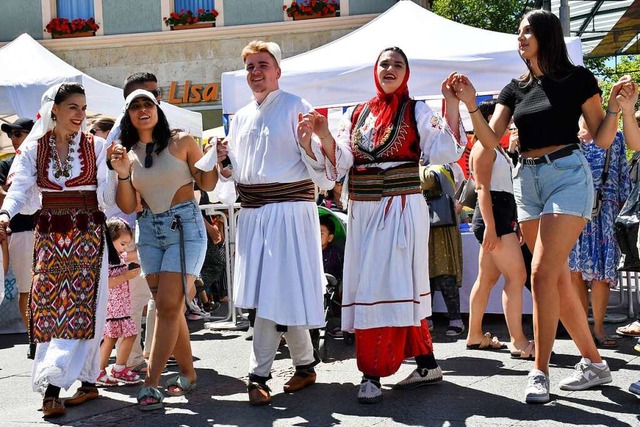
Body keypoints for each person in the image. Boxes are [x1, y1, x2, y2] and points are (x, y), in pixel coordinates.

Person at [451, 10, 632, 404]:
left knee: (541, 272)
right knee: (560, 280)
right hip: (526, 182)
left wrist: (617, 108)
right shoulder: (513, 89)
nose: (521, 37)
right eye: (518, 32)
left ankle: (540, 370)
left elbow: (601, 138)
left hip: (567, 174)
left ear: (547, 35)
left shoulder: (578, 79)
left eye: (528, 31)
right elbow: (491, 138)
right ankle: (596, 364)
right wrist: (469, 104)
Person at [298, 46, 465, 403]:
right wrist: (325, 135)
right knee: (383, 285)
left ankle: (371, 373)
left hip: (401, 207)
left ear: (406, 73)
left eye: (398, 64)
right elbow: (340, 162)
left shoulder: (416, 108)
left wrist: (450, 103)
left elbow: (445, 150)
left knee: (383, 285)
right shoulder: (356, 113)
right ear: (375, 71)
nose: (390, 68)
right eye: (384, 63)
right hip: (364, 210)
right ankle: (426, 362)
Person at [221, 40, 333, 406]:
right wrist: (224, 161)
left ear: (277, 70)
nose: (256, 72)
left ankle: (258, 375)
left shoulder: (295, 106)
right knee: (278, 290)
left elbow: (322, 172)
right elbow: (235, 174)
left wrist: (308, 144)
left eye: (263, 65)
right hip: (254, 214)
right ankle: (305, 364)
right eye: (250, 66)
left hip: (289, 212)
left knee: (272, 292)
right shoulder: (239, 117)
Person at [0, 83, 116, 417]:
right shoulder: (35, 149)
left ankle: (79, 382)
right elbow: (20, 186)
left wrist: (120, 174)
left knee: (87, 308)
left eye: (83, 108)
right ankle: (55, 384)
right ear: (55, 109)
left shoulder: (98, 145)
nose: (80, 115)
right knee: (53, 309)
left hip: (88, 235)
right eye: (73, 108)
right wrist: (5, 214)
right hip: (51, 237)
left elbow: (107, 199)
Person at [110, 89, 218, 410]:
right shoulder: (127, 153)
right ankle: (187, 373)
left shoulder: (182, 141)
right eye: (135, 106)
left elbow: (208, 184)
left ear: (157, 109)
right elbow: (128, 205)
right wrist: (124, 174)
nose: (142, 110)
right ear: (128, 115)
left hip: (184, 226)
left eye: (148, 104)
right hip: (148, 230)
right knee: (167, 306)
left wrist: (212, 156)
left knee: (169, 305)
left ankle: (150, 383)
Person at [466, 99, 530, 357]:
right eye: (502, 116)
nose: (508, 121)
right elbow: (482, 189)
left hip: (499, 217)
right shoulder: (485, 147)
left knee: (488, 279)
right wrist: (493, 228)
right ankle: (518, 341)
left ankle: (474, 335)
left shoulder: (493, 148)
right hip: (494, 217)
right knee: (516, 278)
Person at [569, 116, 630, 349]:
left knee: (602, 273)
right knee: (574, 272)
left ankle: (598, 329)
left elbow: (622, 173)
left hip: (605, 211)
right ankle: (581, 328)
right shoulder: (569, 139)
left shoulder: (615, 137)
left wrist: (625, 214)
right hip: (574, 209)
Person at [97, 217, 143, 386]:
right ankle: (101, 370)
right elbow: (106, 284)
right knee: (111, 337)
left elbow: (132, 256)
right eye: (122, 243)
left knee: (127, 334)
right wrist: (126, 275)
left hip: (121, 306)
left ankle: (118, 368)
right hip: (113, 307)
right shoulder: (105, 259)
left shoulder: (118, 255)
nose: (125, 248)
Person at [0, 117, 36, 328]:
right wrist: (18, 193)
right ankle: (33, 338)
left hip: (51, 231)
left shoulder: (44, 159)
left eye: (18, 133)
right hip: (21, 231)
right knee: (27, 289)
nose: (13, 138)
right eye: (10, 134)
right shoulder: (7, 163)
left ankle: (46, 339)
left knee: (50, 289)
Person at [421, 164, 464, 337]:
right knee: (424, 275)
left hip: (443, 226)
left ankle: (456, 319)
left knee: (446, 273)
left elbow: (427, 180)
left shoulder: (444, 166)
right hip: (423, 227)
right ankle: (427, 317)